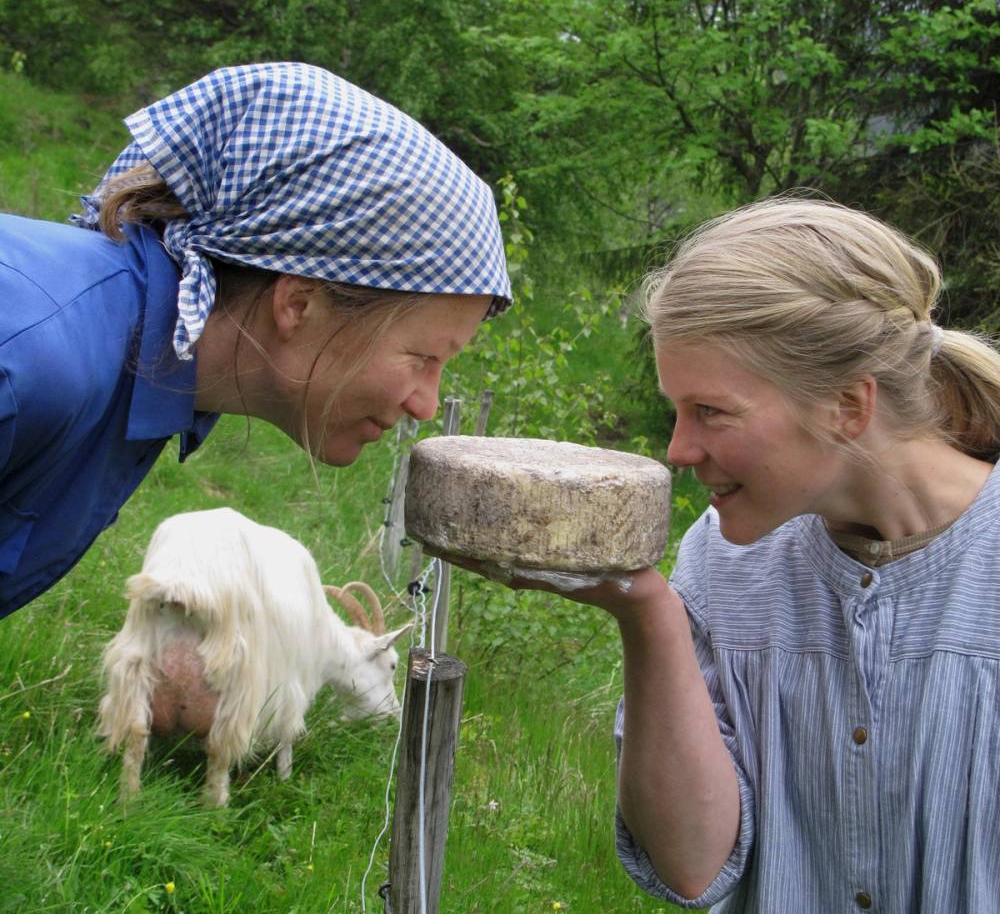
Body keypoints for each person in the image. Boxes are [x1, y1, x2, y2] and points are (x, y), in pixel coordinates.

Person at [459, 197, 1000, 912]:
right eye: (677, 410)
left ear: (847, 405)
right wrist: (648, 612)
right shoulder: (718, 561)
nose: (678, 450)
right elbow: (692, 865)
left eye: (710, 411)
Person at [0, 62, 511, 620]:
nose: (427, 405)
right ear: (298, 303)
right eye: (423, 357)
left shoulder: (134, 367)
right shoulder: (29, 365)